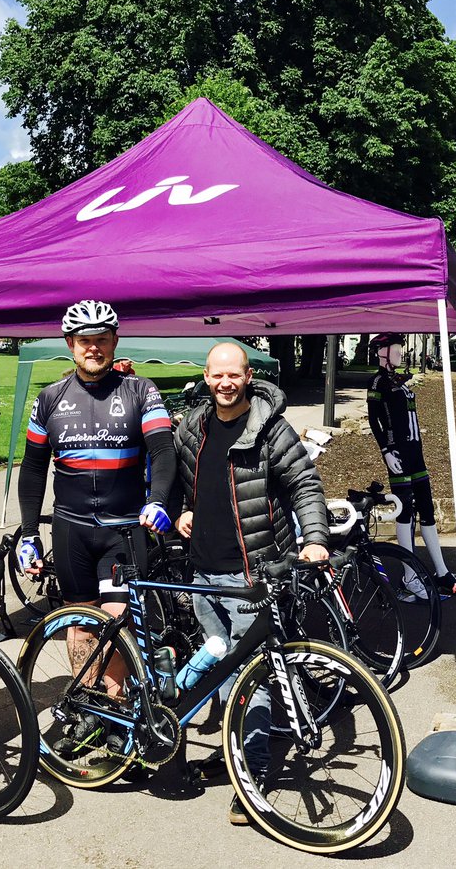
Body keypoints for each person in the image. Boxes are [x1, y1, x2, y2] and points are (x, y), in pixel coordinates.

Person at [170, 342, 330, 825]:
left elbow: (304, 484)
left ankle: (254, 777)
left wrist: (316, 539)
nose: (225, 383)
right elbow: (182, 484)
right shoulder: (191, 429)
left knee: (251, 679)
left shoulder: (270, 430)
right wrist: (183, 510)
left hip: (251, 576)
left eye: (233, 375)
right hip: (203, 573)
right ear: (206, 376)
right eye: (217, 375)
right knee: (219, 672)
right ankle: (232, 753)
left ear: (247, 376)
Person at [15, 300, 175, 730]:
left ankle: (115, 700)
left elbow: (162, 450)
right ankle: (88, 708)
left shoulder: (141, 391)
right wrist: (28, 533)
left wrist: (157, 499)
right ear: (70, 344)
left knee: (119, 622)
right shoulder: (49, 398)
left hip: (124, 530)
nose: (93, 348)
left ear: (115, 341)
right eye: (85, 340)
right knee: (81, 622)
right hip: (71, 530)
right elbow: (32, 469)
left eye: (101, 339)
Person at [366, 332, 456, 599]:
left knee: (427, 509)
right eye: (395, 349)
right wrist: (386, 451)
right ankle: (409, 576)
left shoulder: (400, 381)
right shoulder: (377, 382)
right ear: (382, 352)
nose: (399, 353)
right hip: (397, 453)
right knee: (405, 512)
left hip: (415, 452)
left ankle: (441, 572)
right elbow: (375, 420)